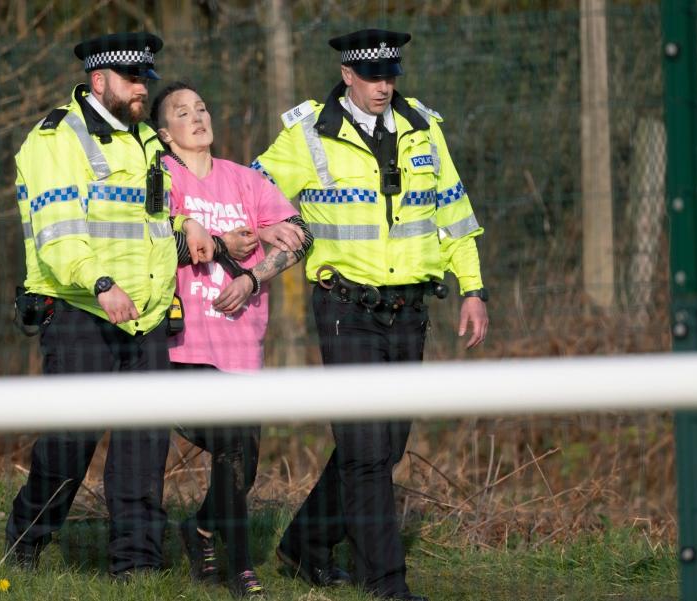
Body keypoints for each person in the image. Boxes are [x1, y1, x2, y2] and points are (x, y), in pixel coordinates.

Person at [251, 29, 489, 601]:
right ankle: (385, 584)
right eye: (373, 75)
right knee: (362, 446)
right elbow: (253, 187)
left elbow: (454, 213)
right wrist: (261, 228)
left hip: (408, 308)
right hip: (345, 306)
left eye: (392, 75)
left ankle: (304, 544)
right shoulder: (308, 135)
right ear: (347, 76)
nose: (385, 86)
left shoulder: (423, 129)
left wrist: (474, 288)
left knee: (387, 445)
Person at [6, 32, 213, 578]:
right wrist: (100, 284)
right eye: (132, 79)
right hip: (82, 311)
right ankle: (27, 539)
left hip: (143, 319)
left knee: (143, 447)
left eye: (146, 77)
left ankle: (137, 566)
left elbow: (145, 217)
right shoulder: (55, 140)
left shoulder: (145, 140)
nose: (143, 87)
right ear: (99, 81)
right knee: (69, 445)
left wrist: (183, 222)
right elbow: (57, 234)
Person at [149, 82, 313, 598]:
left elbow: (299, 235)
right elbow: (151, 242)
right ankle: (243, 569)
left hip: (241, 345)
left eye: (202, 107)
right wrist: (219, 242)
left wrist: (254, 276)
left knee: (243, 458)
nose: (197, 117)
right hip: (183, 344)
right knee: (230, 444)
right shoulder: (159, 179)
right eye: (182, 112)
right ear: (163, 132)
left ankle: (199, 529)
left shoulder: (245, 180)